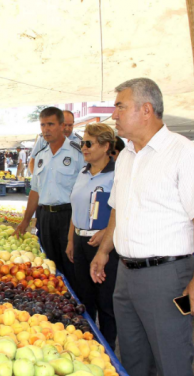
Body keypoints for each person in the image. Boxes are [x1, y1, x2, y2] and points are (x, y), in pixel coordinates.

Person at [90, 78, 194, 376]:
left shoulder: (185, 155)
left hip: (167, 277)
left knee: (172, 366)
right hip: (126, 274)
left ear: (145, 110)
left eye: (120, 106)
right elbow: (118, 208)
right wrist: (104, 251)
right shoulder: (128, 156)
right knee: (133, 363)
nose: (113, 114)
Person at [15, 107, 86, 287]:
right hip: (45, 217)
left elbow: (86, 191)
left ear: (62, 126)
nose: (46, 129)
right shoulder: (40, 156)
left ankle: (76, 306)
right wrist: (25, 221)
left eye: (51, 124)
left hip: (69, 217)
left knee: (72, 267)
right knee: (48, 266)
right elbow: (35, 191)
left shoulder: (78, 154)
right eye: (43, 125)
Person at [64, 123, 119, 350]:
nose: (84, 148)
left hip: (104, 245)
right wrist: (70, 240)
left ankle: (107, 349)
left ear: (106, 146)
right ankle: (88, 346)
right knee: (84, 298)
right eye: (82, 143)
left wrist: (107, 233)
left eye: (89, 143)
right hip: (80, 241)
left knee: (106, 301)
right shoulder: (83, 172)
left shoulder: (117, 175)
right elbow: (74, 208)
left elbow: (124, 210)